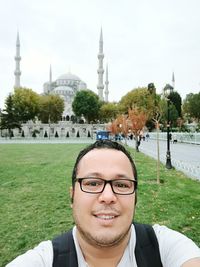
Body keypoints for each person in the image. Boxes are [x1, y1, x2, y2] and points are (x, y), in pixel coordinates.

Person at [6, 140, 200, 267]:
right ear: (72, 196)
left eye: (122, 184)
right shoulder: (45, 261)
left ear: (136, 197)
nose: (108, 196)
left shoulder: (164, 248)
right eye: (92, 183)